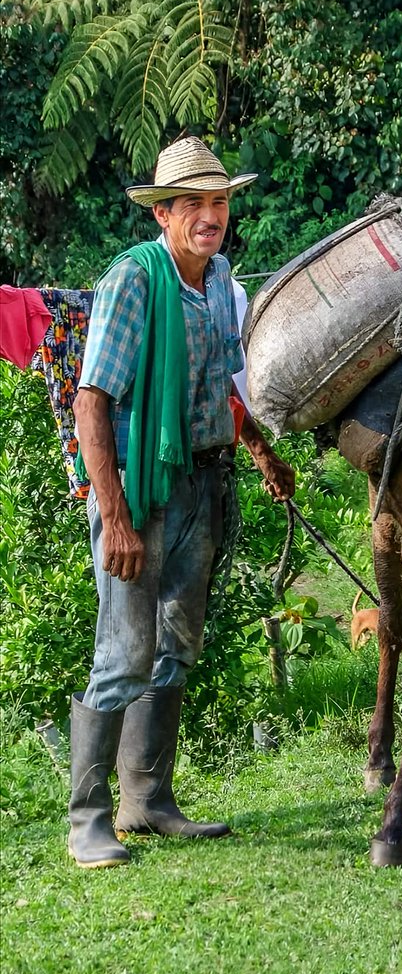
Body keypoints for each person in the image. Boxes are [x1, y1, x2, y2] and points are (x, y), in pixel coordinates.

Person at [70, 136, 295, 869]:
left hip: (203, 479)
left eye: (220, 200)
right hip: (140, 487)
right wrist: (119, 518)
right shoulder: (133, 281)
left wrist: (262, 451)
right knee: (125, 651)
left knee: (175, 646)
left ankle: (149, 800)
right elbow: (91, 403)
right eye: (193, 202)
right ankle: (88, 820)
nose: (210, 215)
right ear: (162, 214)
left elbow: (228, 380)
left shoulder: (219, 276)